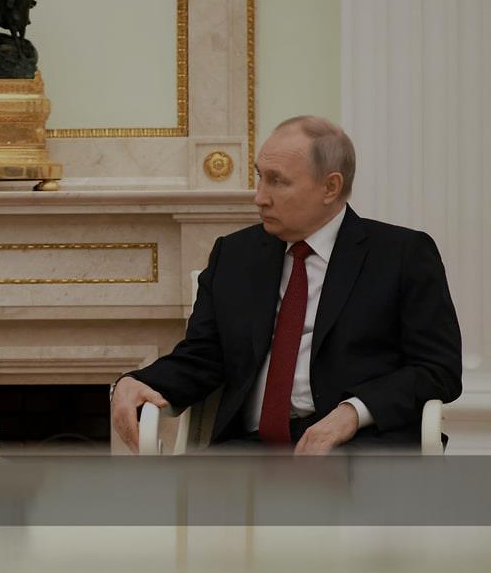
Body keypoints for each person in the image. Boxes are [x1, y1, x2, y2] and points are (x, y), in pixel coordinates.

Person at [111, 116, 462, 454]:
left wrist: (352, 413)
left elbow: (437, 370)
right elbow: (202, 356)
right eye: (260, 177)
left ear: (330, 187)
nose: (259, 197)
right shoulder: (234, 255)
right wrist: (139, 381)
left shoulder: (401, 255)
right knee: (191, 487)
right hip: (251, 448)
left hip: (361, 444)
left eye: (277, 181)